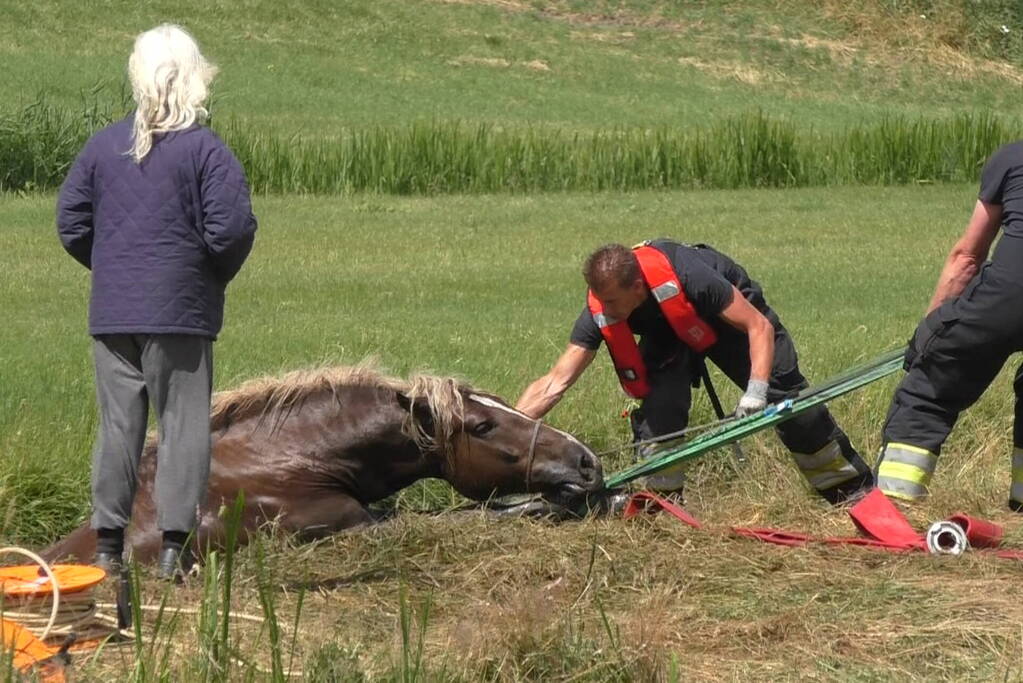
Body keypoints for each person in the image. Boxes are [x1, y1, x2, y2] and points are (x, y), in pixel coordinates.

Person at [56, 24, 257, 579]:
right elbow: (233, 229)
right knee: (181, 428)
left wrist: (115, 269)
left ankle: (106, 551)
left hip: (113, 314)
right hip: (180, 313)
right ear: (194, 78)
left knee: (118, 429)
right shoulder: (206, 151)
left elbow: (71, 222)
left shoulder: (102, 145)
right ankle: (173, 551)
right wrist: (205, 275)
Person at [515, 239, 873, 503]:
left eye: (609, 301)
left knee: (791, 404)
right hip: (669, 334)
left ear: (637, 287)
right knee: (660, 416)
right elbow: (554, 383)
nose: (602, 309)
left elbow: (758, 327)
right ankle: (663, 511)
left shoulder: (692, 275)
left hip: (732, 322)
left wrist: (756, 391)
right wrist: (504, 426)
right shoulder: (602, 307)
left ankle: (854, 494)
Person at [876, 143, 1023, 507]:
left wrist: (928, 334)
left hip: (1007, 298)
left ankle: (895, 507)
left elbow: (967, 258)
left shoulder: (1013, 159)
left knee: (930, 388)